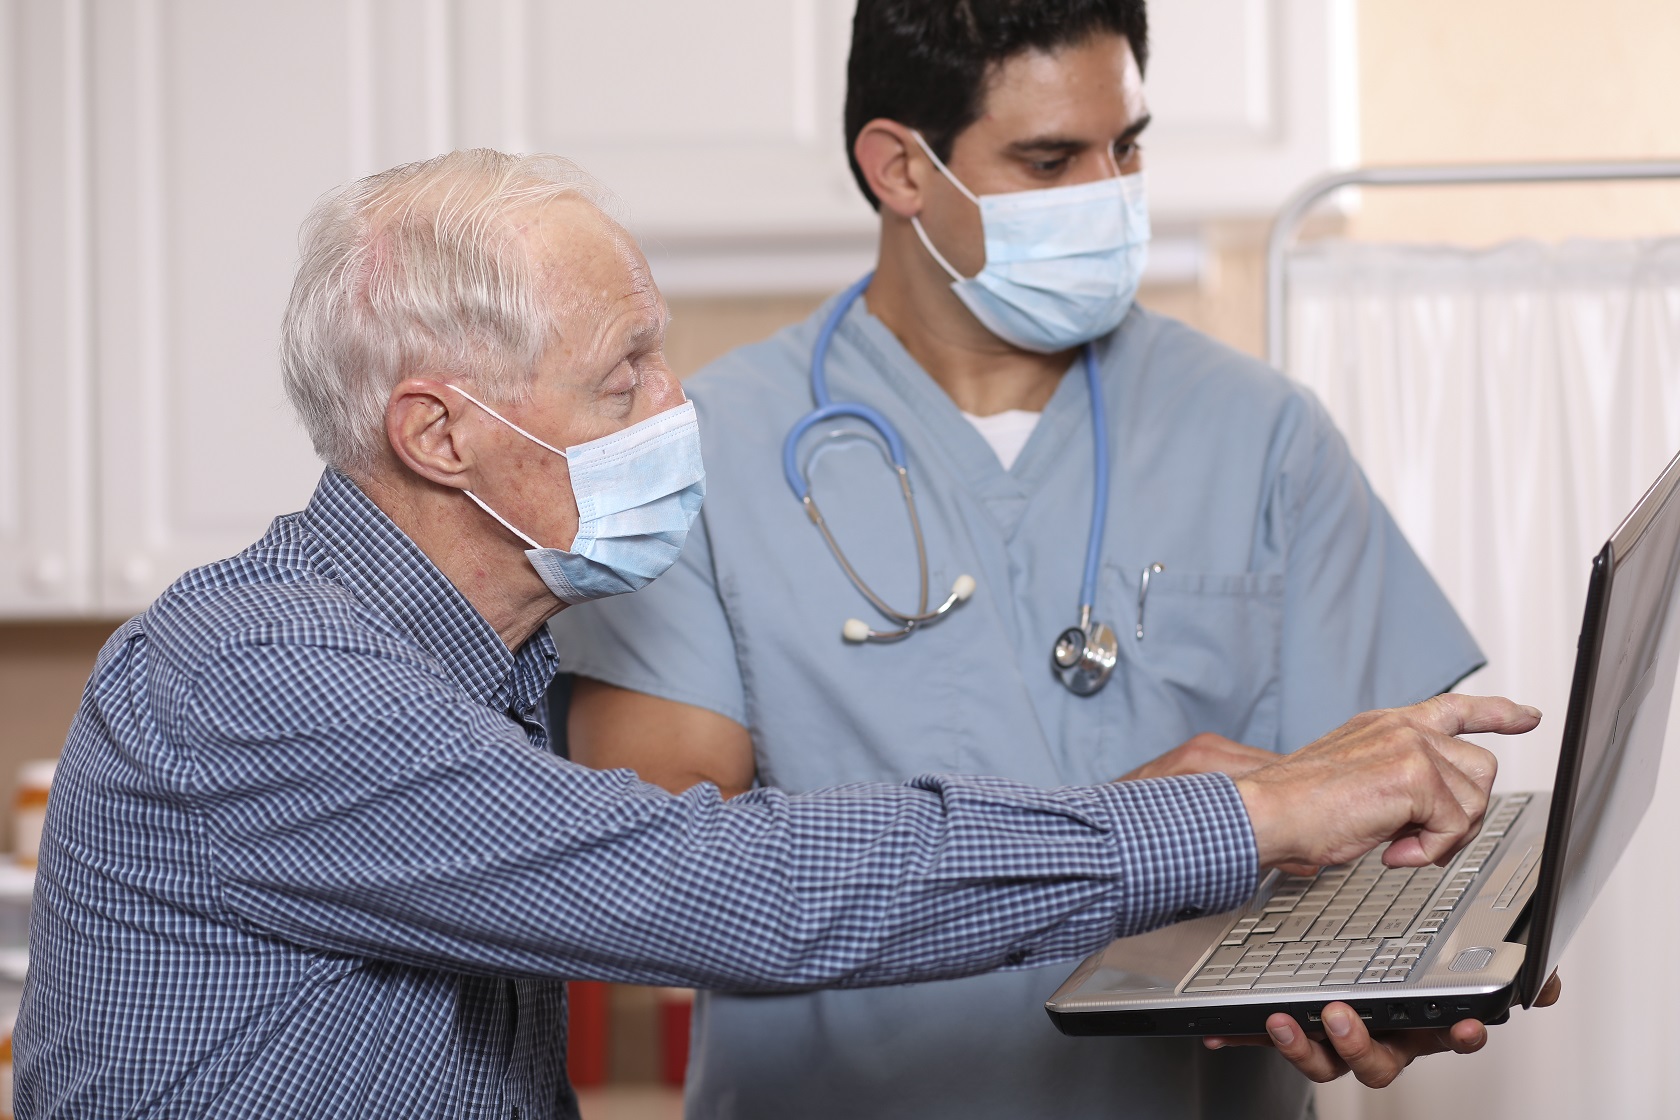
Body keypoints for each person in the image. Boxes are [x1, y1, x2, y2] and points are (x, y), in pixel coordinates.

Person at [13, 149, 1532, 1120]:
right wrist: (1244, 813)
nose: (681, 411)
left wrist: (1172, 840)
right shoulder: (265, 681)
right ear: (440, 435)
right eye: (627, 376)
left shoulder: (473, 678)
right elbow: (719, 884)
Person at [549, 2, 1521, 1117]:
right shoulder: (707, 459)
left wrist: (1412, 962)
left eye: (1128, 147)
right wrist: (1137, 830)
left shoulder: (1259, 433)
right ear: (900, 168)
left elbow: (1375, 824)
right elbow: (663, 885)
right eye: (1051, 159)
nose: (1111, 194)